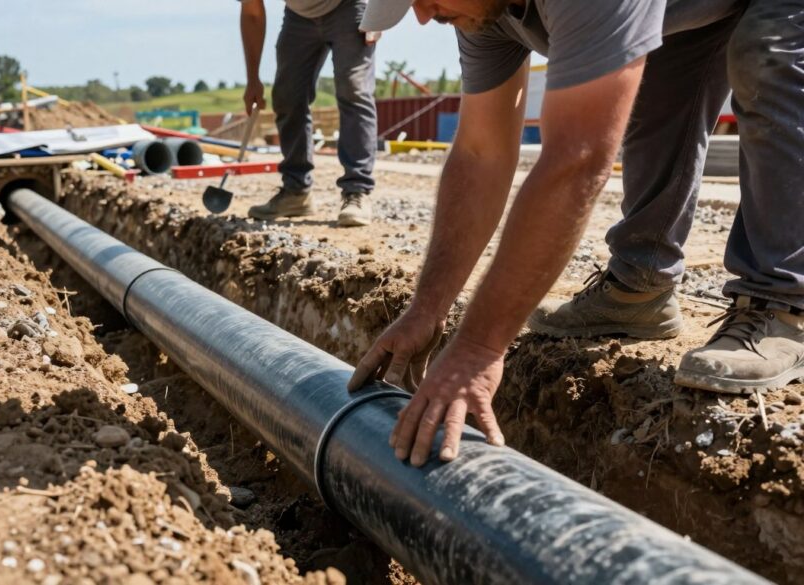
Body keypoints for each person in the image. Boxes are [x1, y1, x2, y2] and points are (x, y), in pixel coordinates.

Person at [349, 0, 804, 467]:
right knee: (651, 79)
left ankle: (782, 304)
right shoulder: (477, 13)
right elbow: (480, 152)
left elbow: (578, 160)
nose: (423, 16)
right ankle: (640, 285)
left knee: (766, 51)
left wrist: (478, 348)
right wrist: (428, 308)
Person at [239, 0, 379, 227]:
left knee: (353, 88)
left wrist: (378, 13)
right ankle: (296, 192)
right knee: (287, 96)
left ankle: (357, 191)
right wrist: (253, 79)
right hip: (298, 16)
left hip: (349, 7)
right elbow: (252, 11)